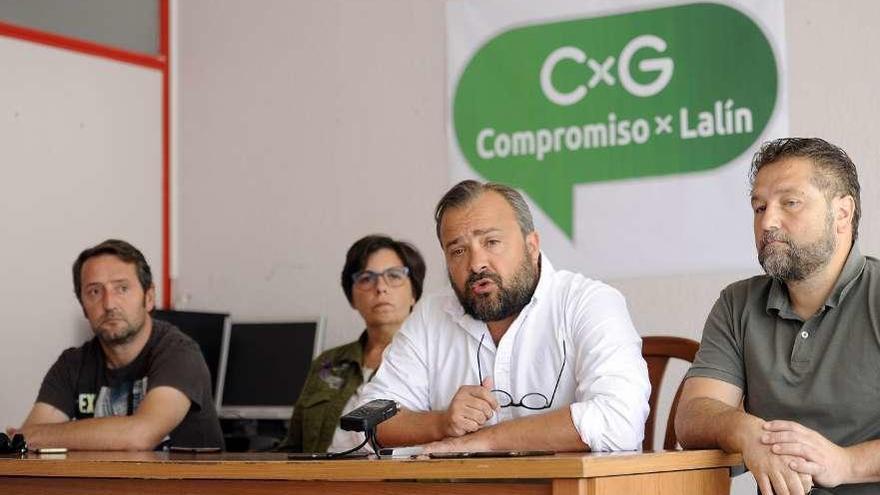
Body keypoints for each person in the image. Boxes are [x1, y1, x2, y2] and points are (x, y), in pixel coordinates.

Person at [359, 181, 650, 452]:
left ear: (532, 246)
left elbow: (620, 420)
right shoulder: (431, 315)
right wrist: (441, 423)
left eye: (492, 242)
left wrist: (485, 440)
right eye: (458, 251)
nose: (476, 264)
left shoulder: (589, 303)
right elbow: (365, 423)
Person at [675, 138, 880, 495]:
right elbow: (691, 416)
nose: (768, 221)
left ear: (843, 214)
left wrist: (846, 463)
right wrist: (745, 430)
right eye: (759, 207)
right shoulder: (737, 302)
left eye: (790, 203)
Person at [11, 239, 223, 450]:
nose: (109, 304)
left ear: (148, 298)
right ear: (84, 307)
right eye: (94, 291)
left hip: (183, 484)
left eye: (122, 288)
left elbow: (139, 436)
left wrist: (38, 436)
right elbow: (23, 442)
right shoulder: (72, 364)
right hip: (106, 484)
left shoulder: (179, 353)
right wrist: (31, 436)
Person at [279, 235, 426, 453]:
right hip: (318, 482)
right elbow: (293, 447)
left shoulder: (429, 360)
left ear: (414, 293)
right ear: (352, 297)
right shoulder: (328, 362)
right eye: (366, 278)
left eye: (394, 276)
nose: (380, 288)